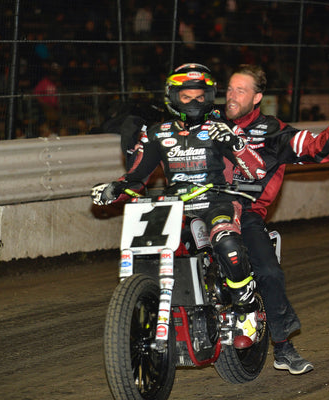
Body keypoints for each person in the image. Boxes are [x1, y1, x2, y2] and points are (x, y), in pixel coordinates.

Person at [91, 63, 267, 348]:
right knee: (145, 254)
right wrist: (116, 188)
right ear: (173, 97)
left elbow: (257, 172)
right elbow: (136, 177)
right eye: (187, 97)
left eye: (200, 96)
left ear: (210, 97)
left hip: (216, 201)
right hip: (173, 206)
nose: (195, 102)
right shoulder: (156, 133)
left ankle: (245, 309)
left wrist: (236, 144)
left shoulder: (221, 129)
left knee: (227, 243)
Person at [220, 64, 329, 375]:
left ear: (257, 98)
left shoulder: (274, 131)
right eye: (229, 89)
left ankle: (283, 348)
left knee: (269, 272)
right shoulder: (210, 122)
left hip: (246, 215)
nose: (231, 96)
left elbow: (315, 150)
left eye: (240, 91)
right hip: (202, 208)